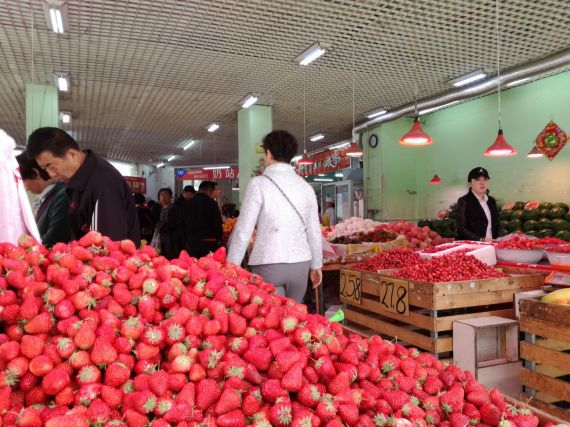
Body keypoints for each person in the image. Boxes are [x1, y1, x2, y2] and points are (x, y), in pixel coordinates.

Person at [227, 130, 323, 302]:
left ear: (269, 153)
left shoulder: (258, 184)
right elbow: (314, 231)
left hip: (267, 262)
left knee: (271, 319)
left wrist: (231, 266)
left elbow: (243, 230)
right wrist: (316, 265)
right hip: (300, 265)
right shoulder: (306, 187)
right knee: (293, 320)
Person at [26, 127, 140, 245]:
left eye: (52, 167)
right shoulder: (78, 181)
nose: (51, 174)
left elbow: (106, 248)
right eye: (45, 169)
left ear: (72, 155)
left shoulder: (102, 183)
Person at [16, 152, 71, 247]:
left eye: (22, 182)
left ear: (35, 173)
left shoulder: (63, 196)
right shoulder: (48, 197)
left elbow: (54, 239)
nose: (24, 189)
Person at [456, 167, 499, 242]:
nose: (482, 183)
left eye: (485, 179)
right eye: (477, 180)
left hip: (492, 245)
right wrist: (480, 239)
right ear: (470, 183)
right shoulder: (464, 201)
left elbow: (496, 223)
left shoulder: (491, 201)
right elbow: (461, 228)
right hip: (474, 246)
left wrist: (498, 237)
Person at [182, 181, 223, 258]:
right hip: (208, 243)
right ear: (210, 190)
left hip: (191, 243)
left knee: (193, 265)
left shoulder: (187, 203)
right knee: (208, 267)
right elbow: (217, 223)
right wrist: (219, 238)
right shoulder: (212, 203)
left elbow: (182, 223)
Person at [150, 188, 180, 259]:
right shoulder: (156, 209)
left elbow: (175, 223)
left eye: (165, 195)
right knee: (159, 256)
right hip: (159, 237)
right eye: (161, 195)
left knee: (170, 257)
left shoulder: (175, 209)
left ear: (170, 197)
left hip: (171, 238)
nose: (163, 197)